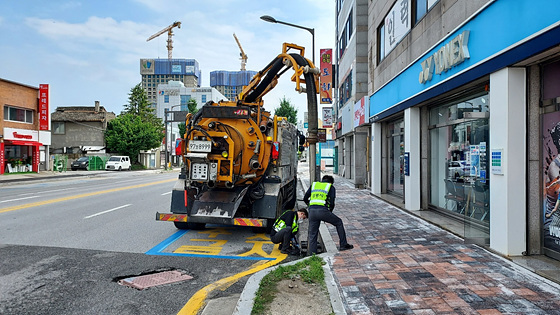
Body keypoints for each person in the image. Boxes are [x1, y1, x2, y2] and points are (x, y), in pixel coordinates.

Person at [304, 175, 353, 255]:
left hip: (312, 211)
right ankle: (343, 245)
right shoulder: (330, 187)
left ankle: (312, 255)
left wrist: (310, 206)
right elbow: (332, 203)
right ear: (331, 182)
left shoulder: (314, 185)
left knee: (313, 233)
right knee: (338, 222)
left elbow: (305, 198)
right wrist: (329, 212)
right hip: (322, 211)